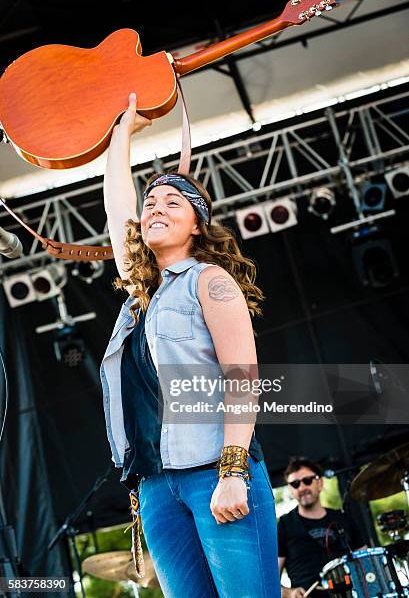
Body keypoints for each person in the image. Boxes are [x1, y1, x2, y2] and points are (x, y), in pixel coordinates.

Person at [100, 92, 281, 598]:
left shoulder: (210, 280)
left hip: (214, 472)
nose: (155, 209)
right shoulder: (142, 294)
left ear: (196, 224)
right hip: (156, 486)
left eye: (172, 203)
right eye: (151, 203)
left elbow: (243, 378)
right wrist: (123, 131)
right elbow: (118, 207)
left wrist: (232, 471)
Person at [277, 457, 366, 597]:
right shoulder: (284, 525)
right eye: (295, 484)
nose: (302, 488)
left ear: (320, 483)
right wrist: (288, 593)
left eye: (307, 481)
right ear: (291, 490)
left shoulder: (343, 519)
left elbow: (367, 563)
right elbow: (270, 578)